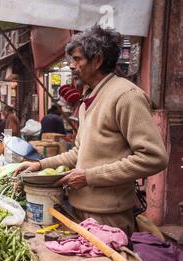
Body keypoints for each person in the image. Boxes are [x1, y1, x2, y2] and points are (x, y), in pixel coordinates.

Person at [15, 25, 168, 236]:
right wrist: (39, 164)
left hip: (109, 216)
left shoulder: (126, 96)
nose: (71, 65)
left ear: (97, 60)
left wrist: (89, 177)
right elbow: (78, 152)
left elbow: (154, 157)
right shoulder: (88, 100)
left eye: (77, 59)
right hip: (79, 210)